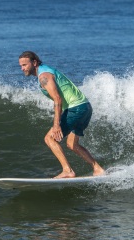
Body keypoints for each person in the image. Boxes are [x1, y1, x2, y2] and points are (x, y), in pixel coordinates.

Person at [18, 51, 105, 179]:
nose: (22, 68)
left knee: (50, 138)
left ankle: (67, 170)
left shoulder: (44, 76)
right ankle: (98, 169)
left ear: (34, 62)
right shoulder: (46, 71)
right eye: (21, 66)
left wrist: (56, 125)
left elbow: (57, 99)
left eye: (25, 65)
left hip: (75, 108)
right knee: (72, 144)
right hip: (85, 107)